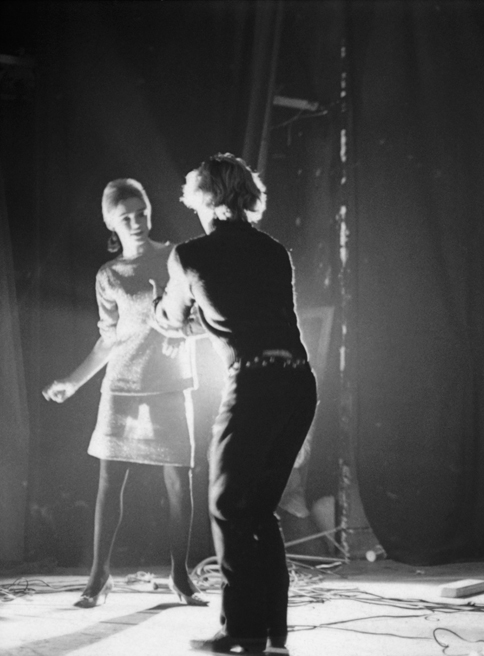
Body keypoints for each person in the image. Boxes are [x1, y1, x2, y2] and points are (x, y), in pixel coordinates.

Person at [154, 154, 317, 655]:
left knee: (227, 504)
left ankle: (241, 630)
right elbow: (251, 313)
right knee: (258, 509)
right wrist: (200, 325)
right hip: (297, 384)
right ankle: (272, 634)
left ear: (204, 197)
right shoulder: (274, 251)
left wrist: (171, 321)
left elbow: (171, 315)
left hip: (254, 384)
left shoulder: (188, 255)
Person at [42, 178, 207, 608]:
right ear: (112, 226)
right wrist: (73, 382)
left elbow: (203, 316)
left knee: (179, 483)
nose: (136, 223)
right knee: (108, 482)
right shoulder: (109, 275)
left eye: (141, 213)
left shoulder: (176, 257)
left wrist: (185, 334)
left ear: (150, 212)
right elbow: (108, 339)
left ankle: (180, 576)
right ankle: (99, 578)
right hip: (122, 387)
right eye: (125, 218)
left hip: (170, 386)